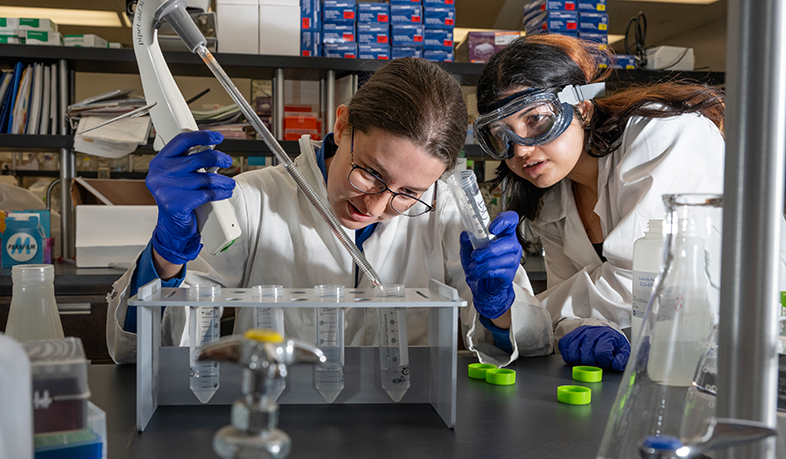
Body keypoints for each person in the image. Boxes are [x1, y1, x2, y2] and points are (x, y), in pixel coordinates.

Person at [106, 57, 554, 366]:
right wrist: (165, 257)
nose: (377, 206)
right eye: (370, 174)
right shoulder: (250, 201)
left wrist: (499, 308)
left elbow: (531, 344)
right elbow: (131, 352)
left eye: (408, 192)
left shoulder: (447, 212)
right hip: (281, 415)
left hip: (408, 423)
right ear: (342, 126)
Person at [464, 34, 728, 371]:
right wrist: (522, 313)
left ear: (582, 109)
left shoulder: (663, 135)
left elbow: (641, 282)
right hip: (652, 369)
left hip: (731, 355)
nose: (520, 150)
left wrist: (517, 309)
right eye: (502, 135)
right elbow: (573, 319)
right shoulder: (552, 200)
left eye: (535, 120)